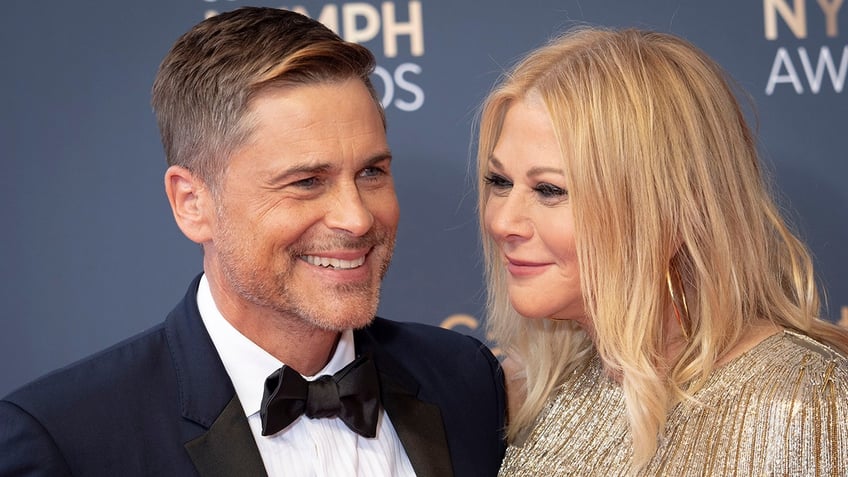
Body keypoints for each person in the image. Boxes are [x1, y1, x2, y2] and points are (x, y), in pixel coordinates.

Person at [0, 7, 506, 476]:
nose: (356, 218)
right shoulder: (66, 440)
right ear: (192, 202)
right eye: (307, 181)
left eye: (372, 172)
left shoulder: (464, 378)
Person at [477, 27, 848, 476]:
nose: (502, 222)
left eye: (550, 189)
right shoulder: (538, 393)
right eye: (499, 182)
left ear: (668, 207)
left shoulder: (805, 404)